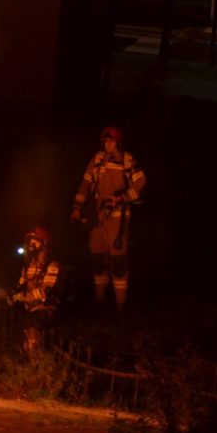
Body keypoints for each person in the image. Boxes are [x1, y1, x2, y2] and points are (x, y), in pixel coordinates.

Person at [70, 126, 146, 311]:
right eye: (105, 141)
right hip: (97, 218)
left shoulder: (126, 159)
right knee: (97, 259)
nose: (108, 144)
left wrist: (122, 197)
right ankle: (99, 300)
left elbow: (140, 181)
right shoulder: (97, 159)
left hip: (118, 219)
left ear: (118, 143)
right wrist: (77, 207)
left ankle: (121, 305)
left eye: (111, 141)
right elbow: (85, 184)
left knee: (118, 261)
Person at [8, 226, 61, 352]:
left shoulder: (52, 264)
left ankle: (37, 357)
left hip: (46, 307)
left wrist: (21, 297)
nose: (31, 245)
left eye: (35, 241)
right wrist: (12, 294)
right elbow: (20, 285)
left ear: (44, 244)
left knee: (33, 323)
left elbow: (44, 292)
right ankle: (21, 352)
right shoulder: (28, 265)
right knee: (16, 320)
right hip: (30, 307)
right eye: (29, 241)